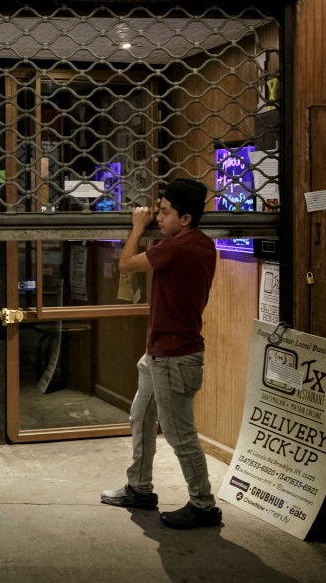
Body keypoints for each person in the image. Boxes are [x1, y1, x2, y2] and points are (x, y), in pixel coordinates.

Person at [100, 178, 222, 529]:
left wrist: (137, 227)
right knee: (140, 417)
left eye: (164, 213)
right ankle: (139, 488)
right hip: (160, 354)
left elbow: (125, 264)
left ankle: (203, 504)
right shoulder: (201, 243)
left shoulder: (175, 249)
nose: (157, 218)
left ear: (185, 219)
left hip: (173, 357)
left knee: (179, 434)